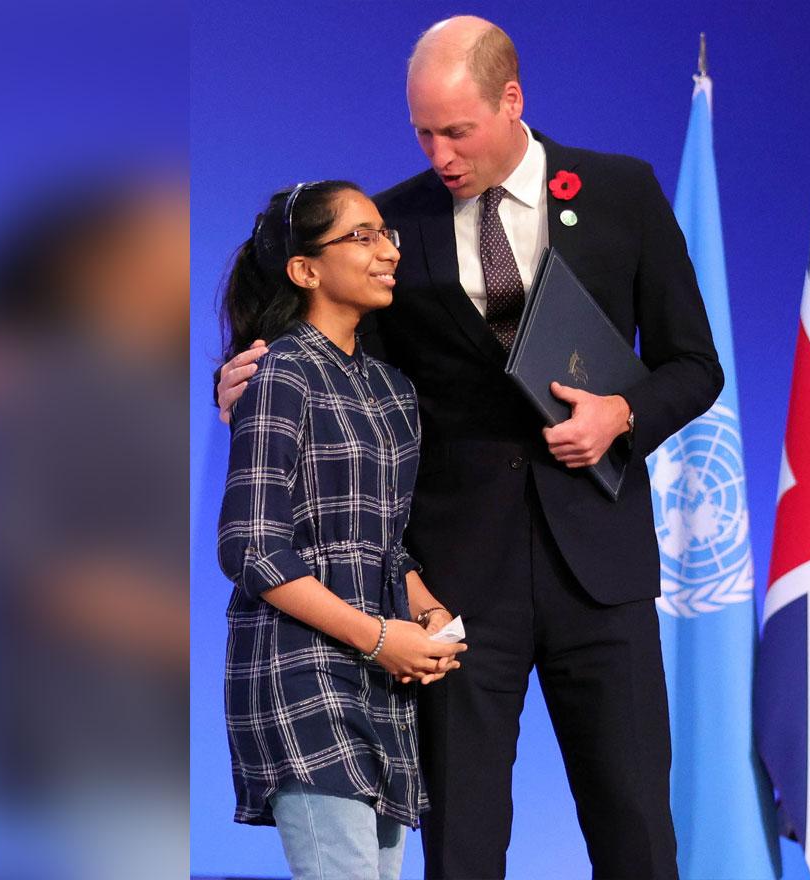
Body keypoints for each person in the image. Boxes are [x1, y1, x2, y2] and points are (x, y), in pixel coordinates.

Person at [217, 18, 723, 878]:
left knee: (636, 823)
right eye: (423, 131)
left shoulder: (618, 192)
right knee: (460, 838)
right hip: (450, 582)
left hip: (599, 570)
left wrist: (622, 416)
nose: (440, 153)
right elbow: (339, 370)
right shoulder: (393, 224)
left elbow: (693, 365)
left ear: (511, 99)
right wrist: (240, 381)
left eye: (457, 130)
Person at [216, 180, 468, 880]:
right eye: (361, 236)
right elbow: (252, 548)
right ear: (305, 270)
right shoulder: (280, 374)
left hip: (380, 681)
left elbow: (387, 542)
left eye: (385, 233)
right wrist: (381, 637)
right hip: (304, 670)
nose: (388, 249)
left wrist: (425, 610)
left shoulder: (392, 390)